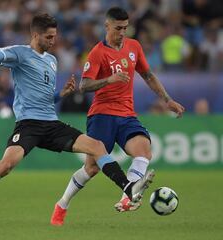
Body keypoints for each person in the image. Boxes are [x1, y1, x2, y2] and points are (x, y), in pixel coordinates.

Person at [0, 13, 150, 228]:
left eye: (54, 36)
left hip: (51, 124)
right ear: (36, 35)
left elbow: (44, 98)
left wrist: (60, 95)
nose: (53, 41)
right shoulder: (20, 53)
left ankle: (128, 189)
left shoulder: (52, 61)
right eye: (49, 37)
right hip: (28, 125)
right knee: (6, 165)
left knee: (97, 146)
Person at [50, 7, 185, 226]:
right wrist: (110, 79)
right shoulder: (97, 53)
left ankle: (126, 198)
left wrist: (167, 100)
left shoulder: (134, 47)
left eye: (125, 27)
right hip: (101, 115)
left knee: (144, 151)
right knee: (91, 168)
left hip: (127, 114)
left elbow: (148, 75)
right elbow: (84, 86)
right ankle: (62, 204)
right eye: (118, 28)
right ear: (107, 26)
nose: (122, 32)